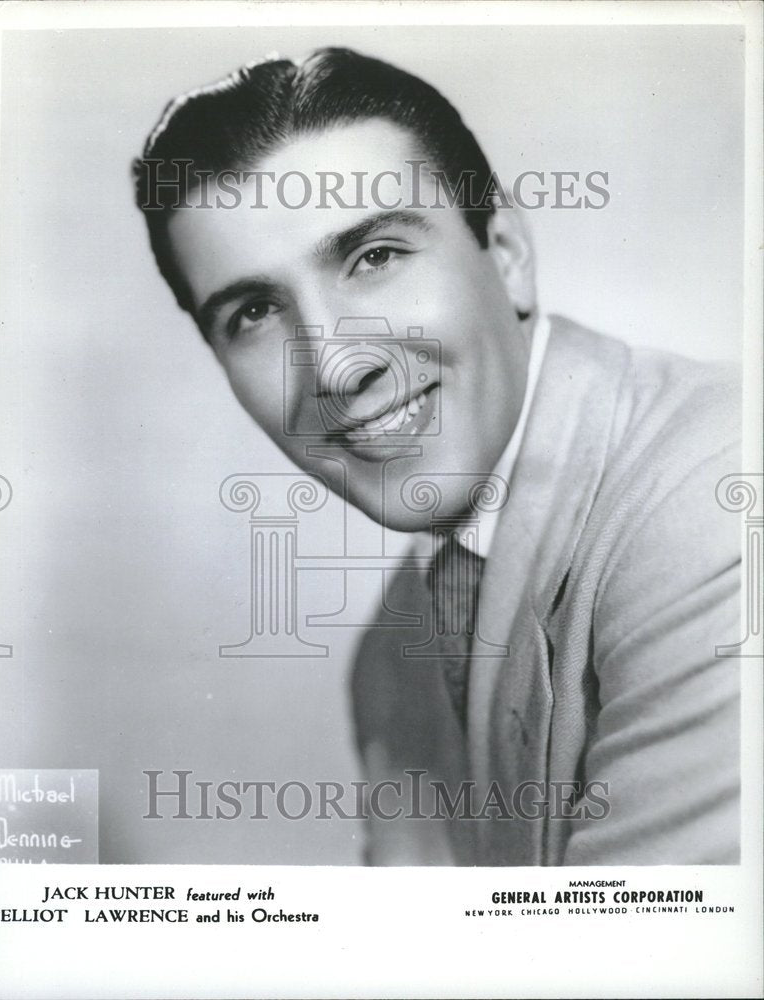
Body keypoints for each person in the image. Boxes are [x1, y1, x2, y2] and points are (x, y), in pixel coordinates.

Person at [134, 47, 740, 865]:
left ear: (507, 255)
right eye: (253, 312)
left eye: (374, 256)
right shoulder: (395, 656)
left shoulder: (719, 492)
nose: (337, 368)